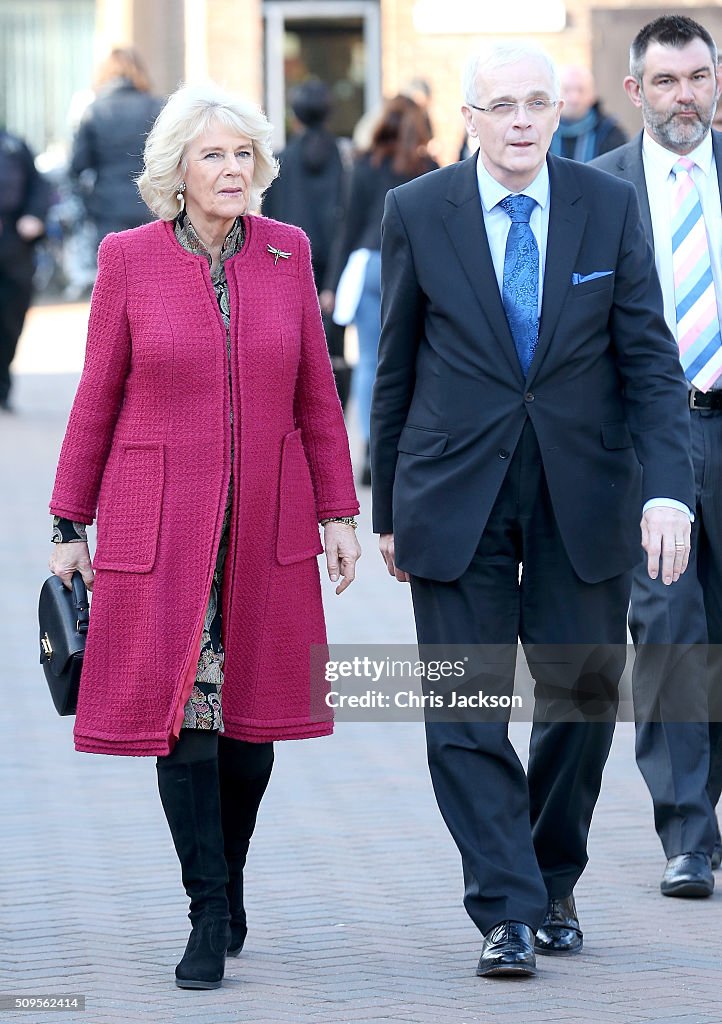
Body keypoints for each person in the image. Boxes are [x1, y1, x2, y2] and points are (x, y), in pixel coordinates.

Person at [371, 41, 694, 978]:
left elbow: (649, 361)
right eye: (501, 104)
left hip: (582, 494)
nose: (520, 120)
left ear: (561, 113)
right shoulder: (416, 210)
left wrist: (668, 488)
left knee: (583, 701)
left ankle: (552, 880)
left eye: (537, 103)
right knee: (466, 709)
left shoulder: (608, 205)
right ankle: (505, 908)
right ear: (467, 117)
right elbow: (393, 366)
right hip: (451, 494)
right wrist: (385, 502)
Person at [48, 82, 361, 991]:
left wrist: (338, 514)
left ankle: (231, 869)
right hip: (164, 529)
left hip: (263, 527)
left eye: (242, 155)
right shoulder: (129, 259)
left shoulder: (286, 253)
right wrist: (70, 521)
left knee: (252, 726)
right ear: (176, 170)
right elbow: (95, 397)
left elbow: (315, 395)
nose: (233, 170)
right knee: (183, 717)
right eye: (214, 155)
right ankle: (206, 906)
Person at [593, 14, 722, 896]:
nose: (686, 97)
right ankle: (688, 834)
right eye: (667, 82)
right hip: (648, 445)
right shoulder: (596, 192)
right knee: (669, 630)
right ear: (636, 90)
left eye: (699, 78)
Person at [329, 94, 437, 484]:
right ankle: (406, 444)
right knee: (411, 358)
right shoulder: (428, 167)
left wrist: (331, 282)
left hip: (369, 264)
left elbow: (350, 226)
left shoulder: (365, 165)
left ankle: (373, 448)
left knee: (370, 362)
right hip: (414, 268)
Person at [262, 79, 352, 408]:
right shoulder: (344, 162)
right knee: (333, 357)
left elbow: (267, 224)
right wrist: (333, 284)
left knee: (292, 358)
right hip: (334, 271)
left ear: (295, 115)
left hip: (287, 267)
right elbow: (347, 223)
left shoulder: (279, 162)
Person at [70, 47, 163, 249]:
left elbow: (78, 165)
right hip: (152, 205)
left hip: (107, 208)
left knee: (115, 272)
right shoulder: (158, 107)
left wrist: (89, 203)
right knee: (154, 273)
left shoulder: (95, 111)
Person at [0, 127, 50, 411]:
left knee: (10, 317)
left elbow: (38, 187)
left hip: (13, 243)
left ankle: (2, 387)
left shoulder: (13, 146)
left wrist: (34, 216)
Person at [550, 65, 627, 162]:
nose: (574, 98)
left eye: (580, 90)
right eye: (566, 90)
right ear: (555, 94)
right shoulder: (543, 130)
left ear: (593, 95)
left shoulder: (610, 133)